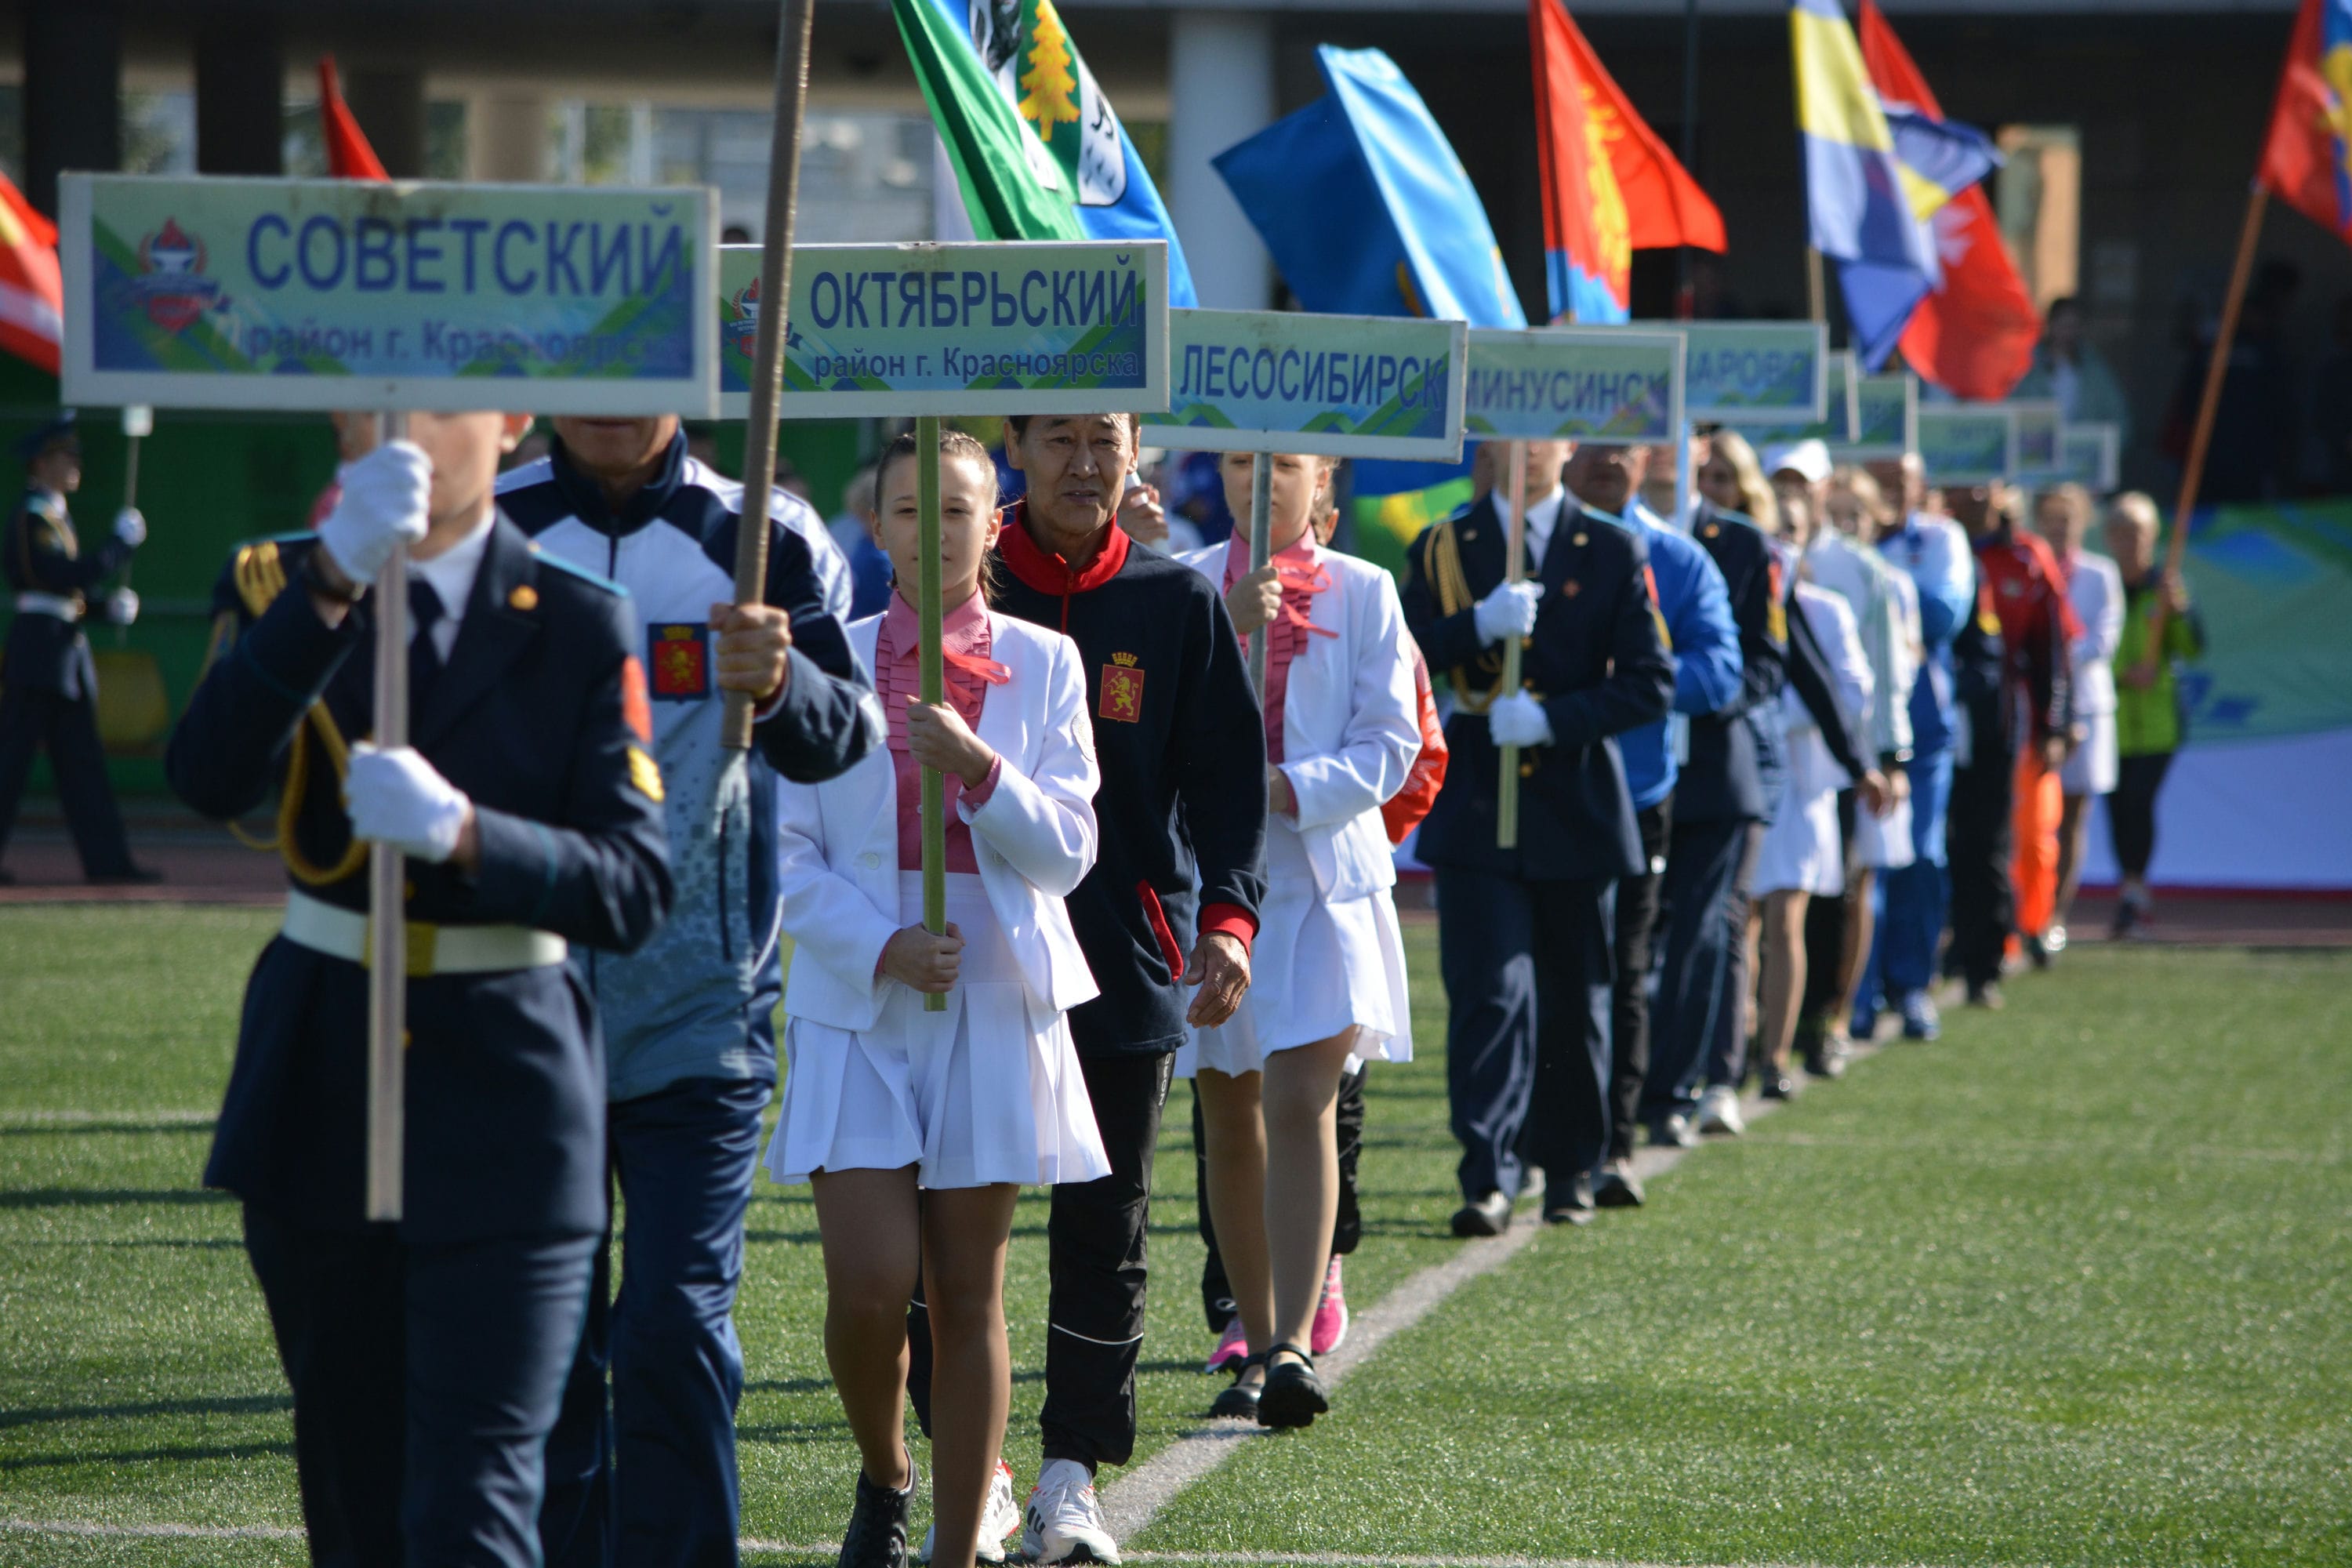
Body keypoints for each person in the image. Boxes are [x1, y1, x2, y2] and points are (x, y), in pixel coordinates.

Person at [166, 414, 674, 1568]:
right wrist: (331, 580)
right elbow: (207, 776)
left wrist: (466, 832)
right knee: (355, 1508)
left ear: (510, 424)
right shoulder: (283, 584)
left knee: (477, 1514)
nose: (405, 426)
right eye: (373, 398)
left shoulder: (578, 622)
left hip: (510, 1106)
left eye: (450, 397)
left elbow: (634, 885)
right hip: (322, 1087)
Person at [499, 412, 877, 1568]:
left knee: (670, 1328)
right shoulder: (491, 523)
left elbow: (849, 730)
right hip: (518, 1011)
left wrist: (786, 685)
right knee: (543, 1350)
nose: (614, 403)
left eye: (640, 377)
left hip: (702, 1018)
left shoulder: (765, 534)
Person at [902, 411, 1266, 1568]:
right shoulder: (955, 582)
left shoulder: (1176, 603)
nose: (1083, 464)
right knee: (940, 1237)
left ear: (1136, 453)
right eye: (1059, 440)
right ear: (1017, 449)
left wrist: (1228, 922)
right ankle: (980, 1467)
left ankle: (1070, 1476)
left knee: (1104, 1230)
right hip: (969, 969)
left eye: (1104, 441)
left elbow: (1225, 780)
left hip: (1124, 959)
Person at [766, 428, 1109, 1568]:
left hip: (995, 998)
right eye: (912, 511)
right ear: (879, 527)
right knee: (870, 1289)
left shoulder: (1046, 665)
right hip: (860, 999)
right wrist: (882, 946)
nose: (935, 532)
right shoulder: (830, 660)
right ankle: (886, 1473)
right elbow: (787, 853)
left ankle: (958, 1552)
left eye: (958, 510)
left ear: (992, 523)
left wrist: (984, 772)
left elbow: (1069, 852)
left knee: (969, 1293)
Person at [1171, 448, 1416, 1427]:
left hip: (1322, 878)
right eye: (1237, 460)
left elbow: (1390, 740)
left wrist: (1290, 788)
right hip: (1213, 883)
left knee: (1303, 1097)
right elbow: (1142, 733)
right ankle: (1252, 1324)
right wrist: (1223, 634)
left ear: (1323, 481)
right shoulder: (1185, 585)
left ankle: (1288, 1346)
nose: (1257, 479)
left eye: (1281, 465)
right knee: (1231, 1110)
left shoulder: (1366, 590)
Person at [1402, 438, 1675, 1232]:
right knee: (1489, 992)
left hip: (1573, 801)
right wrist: (1473, 626)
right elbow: (1401, 657)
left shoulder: (1614, 544)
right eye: (1508, 437)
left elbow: (1650, 681)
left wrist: (1558, 718)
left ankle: (1569, 1168)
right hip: (1481, 794)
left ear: (1567, 444)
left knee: (1573, 994)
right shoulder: (1445, 544)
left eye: (1543, 436)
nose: (1526, 453)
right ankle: (1488, 1170)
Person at [1563, 440, 1740, 1200]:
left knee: (1624, 970)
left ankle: (1612, 1143)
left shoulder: (1676, 558)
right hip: (1540, 787)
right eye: (1587, 440)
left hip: (1637, 793)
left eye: (1624, 444)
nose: (1606, 456)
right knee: (1545, 972)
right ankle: (1535, 1145)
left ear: (1651, 459)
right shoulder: (1521, 546)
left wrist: (1634, 677)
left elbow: (1721, 670)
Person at [1644, 430, 1788, 1144]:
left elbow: (1767, 662)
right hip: (1625, 767)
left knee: (1706, 932)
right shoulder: (1606, 536)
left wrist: (1690, 697)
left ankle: (1684, 1086)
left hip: (1712, 770)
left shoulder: (1742, 544)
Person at [1751, 488, 1875, 1098]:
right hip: (1747, 775)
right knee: (1738, 921)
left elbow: (1853, 692)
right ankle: (1738, 1044)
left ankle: (1777, 1050)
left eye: (1792, 530)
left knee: (1785, 917)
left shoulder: (1825, 609)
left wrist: (1784, 710)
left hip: (1803, 785)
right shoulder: (1744, 600)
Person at [0, 412, 156, 885]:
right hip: (39, 656)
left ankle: (109, 864)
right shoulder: (33, 517)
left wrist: (108, 609)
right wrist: (117, 548)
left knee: (84, 769)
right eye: (67, 454)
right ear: (42, 463)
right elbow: (56, 578)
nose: (75, 462)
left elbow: (68, 597)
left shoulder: (54, 516)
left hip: (63, 655)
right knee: (10, 765)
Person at [1798, 468, 1918, 1067]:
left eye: (1855, 513)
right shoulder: (1772, 554)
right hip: (1794, 756)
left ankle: (1833, 1014)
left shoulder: (1870, 574)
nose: (1843, 522)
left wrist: (1890, 758)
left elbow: (1891, 673)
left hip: (1856, 757)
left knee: (1848, 887)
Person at [1865, 452, 1976, 1040]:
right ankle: (1858, 992)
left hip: (1923, 727)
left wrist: (1868, 581)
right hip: (1857, 724)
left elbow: (1940, 614)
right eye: (1876, 479)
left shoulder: (1941, 538)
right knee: (1864, 862)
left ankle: (1911, 985)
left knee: (1920, 854)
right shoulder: (1844, 534)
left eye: (1897, 481)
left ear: (1919, 487)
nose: (1885, 491)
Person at [1948, 482, 2068, 1007]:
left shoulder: (2026, 558)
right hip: (1934, 719)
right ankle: (1941, 951)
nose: (1971, 494)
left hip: (1997, 722)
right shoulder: (1934, 543)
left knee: (1990, 841)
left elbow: (2052, 646)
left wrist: (2055, 723)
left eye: (1983, 483)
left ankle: (1987, 958)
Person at [2103, 493, 2203, 938]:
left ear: (2152, 537)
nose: (2129, 542)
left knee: (2140, 802)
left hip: (2158, 722)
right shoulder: (2100, 583)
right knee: (2117, 808)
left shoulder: (2164, 587)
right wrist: (2121, 674)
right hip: (2111, 719)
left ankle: (2135, 889)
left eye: (2137, 533)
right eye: (2121, 532)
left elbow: (2193, 648)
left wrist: (2179, 611)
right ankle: (2128, 886)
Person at [2034, 483, 2122, 952]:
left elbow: (2102, 643)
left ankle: (2055, 915)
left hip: (2086, 707)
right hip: (2041, 709)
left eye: (2066, 519)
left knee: (2071, 817)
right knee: (2032, 816)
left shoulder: (2100, 574)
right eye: (2050, 518)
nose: (2058, 528)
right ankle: (2028, 908)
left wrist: (2054, 653)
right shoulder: (2034, 569)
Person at [2013, 297, 2133, 449]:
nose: (2067, 333)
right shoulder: (2028, 366)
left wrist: (2104, 452)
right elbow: (2011, 410)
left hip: (2083, 459)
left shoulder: (2094, 370)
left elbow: (2119, 417)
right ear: (2050, 324)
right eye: (2063, 326)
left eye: (2073, 326)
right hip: (2037, 457)